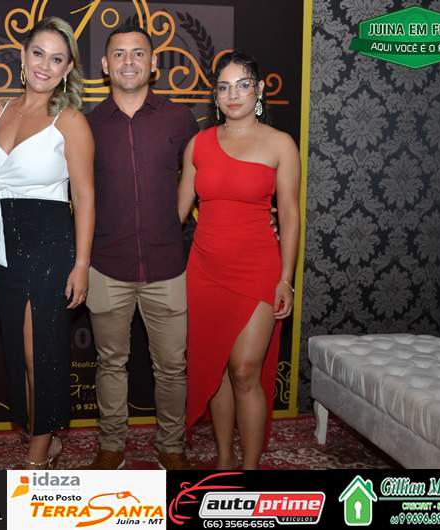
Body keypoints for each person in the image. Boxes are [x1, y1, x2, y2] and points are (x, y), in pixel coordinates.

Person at [0, 17, 95, 469]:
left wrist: (81, 264)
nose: (44, 65)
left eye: (57, 59)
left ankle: (37, 450)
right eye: (38, 54)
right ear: (22, 56)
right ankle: (45, 436)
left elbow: (84, 196)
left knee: (40, 351)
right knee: (20, 350)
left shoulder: (70, 121)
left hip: (50, 242)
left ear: (68, 69)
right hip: (2, 242)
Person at [82, 25, 199, 470]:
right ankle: (111, 444)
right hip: (106, 265)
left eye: (137, 53)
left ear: (152, 64)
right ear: (104, 64)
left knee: (172, 366)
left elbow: (202, 177)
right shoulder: (87, 124)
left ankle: (171, 446)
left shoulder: (180, 119)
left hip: (167, 266)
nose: (128, 61)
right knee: (111, 362)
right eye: (119, 53)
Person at [178, 51, 300, 470]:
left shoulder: (280, 144)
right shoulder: (198, 145)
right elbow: (177, 213)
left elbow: (290, 214)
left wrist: (286, 278)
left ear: (259, 90)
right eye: (224, 87)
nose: (233, 95)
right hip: (205, 270)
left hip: (258, 270)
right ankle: (224, 458)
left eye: (243, 85)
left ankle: (249, 468)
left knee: (245, 370)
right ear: (215, 94)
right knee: (215, 369)